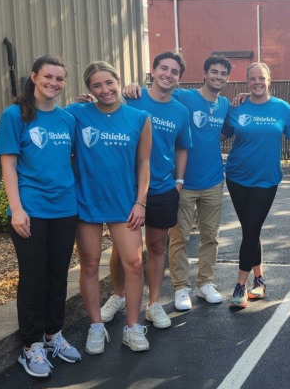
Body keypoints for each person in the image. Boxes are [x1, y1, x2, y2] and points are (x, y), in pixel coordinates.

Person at [122, 55, 232, 310]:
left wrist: (244, 98)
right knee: (179, 237)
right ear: (203, 73)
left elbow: (226, 130)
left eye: (223, 73)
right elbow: (158, 91)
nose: (218, 77)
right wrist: (132, 86)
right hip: (182, 183)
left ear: (227, 78)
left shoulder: (226, 103)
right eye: (213, 71)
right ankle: (181, 288)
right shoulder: (184, 98)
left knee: (210, 236)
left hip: (214, 179)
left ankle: (205, 282)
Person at [0, 55, 81, 377]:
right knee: (34, 277)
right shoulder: (14, 115)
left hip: (64, 208)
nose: (54, 83)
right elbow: (8, 165)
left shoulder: (66, 119)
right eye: (48, 77)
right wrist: (16, 209)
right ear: (34, 77)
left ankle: (52, 335)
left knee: (58, 275)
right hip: (30, 210)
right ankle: (31, 345)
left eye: (60, 79)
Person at [99, 52, 192, 328]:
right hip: (127, 188)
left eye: (174, 71)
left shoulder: (180, 111)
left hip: (163, 187)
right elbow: (102, 110)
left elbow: (182, 147)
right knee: (122, 249)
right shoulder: (132, 97)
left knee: (155, 246)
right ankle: (118, 296)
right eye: (163, 68)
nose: (168, 74)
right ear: (153, 71)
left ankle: (153, 304)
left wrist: (179, 182)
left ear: (179, 78)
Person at [68, 61, 152, 354]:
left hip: (124, 203)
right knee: (90, 265)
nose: (105, 90)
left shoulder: (139, 117)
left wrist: (140, 202)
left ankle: (132, 327)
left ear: (119, 81)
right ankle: (96, 327)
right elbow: (41, 122)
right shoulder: (76, 114)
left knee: (134, 263)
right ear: (88, 89)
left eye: (109, 83)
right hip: (87, 201)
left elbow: (143, 164)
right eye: (96, 85)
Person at [221, 62, 290, 308]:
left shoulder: (283, 109)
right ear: (246, 82)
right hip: (236, 176)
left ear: (269, 80)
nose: (257, 82)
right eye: (252, 78)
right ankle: (259, 280)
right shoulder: (237, 107)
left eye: (261, 78)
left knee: (252, 226)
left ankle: (240, 285)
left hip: (266, 180)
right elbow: (216, 134)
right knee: (249, 229)